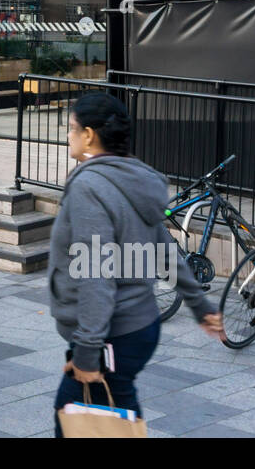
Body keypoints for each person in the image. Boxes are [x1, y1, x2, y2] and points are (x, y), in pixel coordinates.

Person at [48, 92, 224, 437]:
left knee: (75, 421)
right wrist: (200, 304)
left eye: (71, 128)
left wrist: (87, 352)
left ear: (88, 135)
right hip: (138, 327)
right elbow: (163, 249)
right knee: (116, 418)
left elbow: (95, 274)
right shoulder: (133, 180)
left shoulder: (90, 185)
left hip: (111, 335)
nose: (67, 135)